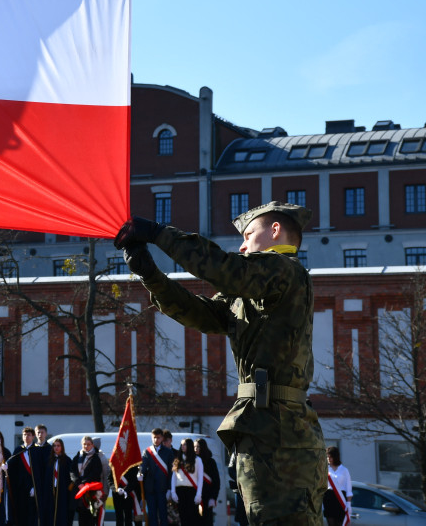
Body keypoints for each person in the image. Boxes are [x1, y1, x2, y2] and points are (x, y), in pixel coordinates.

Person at [115, 202, 327, 524]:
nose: (242, 245)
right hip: (263, 427)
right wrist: (151, 275)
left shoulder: (286, 270)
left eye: (249, 234)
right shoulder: (251, 291)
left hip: (283, 433)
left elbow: (224, 269)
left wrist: (159, 233)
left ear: (275, 231)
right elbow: (201, 314)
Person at [137, 428, 174, 526]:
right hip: (150, 489)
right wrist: (140, 473)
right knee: (152, 516)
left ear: (162, 438)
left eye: (158, 437)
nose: (156, 440)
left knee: (163, 515)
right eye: (154, 437)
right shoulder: (147, 451)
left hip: (163, 489)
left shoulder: (168, 452)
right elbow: (143, 466)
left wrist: (170, 489)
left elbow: (171, 472)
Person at [9, 427, 44, 526]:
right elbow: (13, 467)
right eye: (24, 435)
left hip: (33, 486)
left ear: (33, 437)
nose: (26, 437)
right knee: (21, 512)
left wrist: (35, 486)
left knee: (32, 513)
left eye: (28, 435)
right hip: (20, 487)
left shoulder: (37, 450)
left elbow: (40, 470)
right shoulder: (18, 449)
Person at [169, 439, 203, 526]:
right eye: (181, 445)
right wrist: (173, 492)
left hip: (191, 491)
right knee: (182, 516)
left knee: (192, 517)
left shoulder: (197, 460)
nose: (182, 446)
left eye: (185, 444)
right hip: (180, 490)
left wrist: (198, 494)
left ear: (190, 446)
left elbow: (200, 478)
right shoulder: (177, 460)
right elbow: (174, 477)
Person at [73, 436, 104, 526]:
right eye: (84, 444)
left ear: (92, 445)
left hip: (90, 492)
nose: (86, 446)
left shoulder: (95, 458)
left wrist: (83, 483)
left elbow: (96, 473)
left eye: (88, 444)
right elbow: (72, 471)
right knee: (81, 518)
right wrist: (78, 483)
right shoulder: (78, 456)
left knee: (90, 518)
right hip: (79, 490)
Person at [45, 437, 75, 526]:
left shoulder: (67, 460)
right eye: (54, 446)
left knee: (61, 514)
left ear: (62, 447)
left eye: (58, 446)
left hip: (62, 491)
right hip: (51, 491)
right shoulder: (49, 460)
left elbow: (70, 477)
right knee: (51, 512)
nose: (56, 448)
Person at [323, 446, 352, 526]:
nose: (329, 459)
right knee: (331, 523)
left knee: (340, 523)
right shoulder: (325, 470)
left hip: (340, 499)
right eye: (327, 457)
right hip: (328, 498)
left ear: (335, 457)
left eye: (330, 457)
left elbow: (348, 489)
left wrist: (348, 504)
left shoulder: (344, 470)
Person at [196, 438, 220, 526]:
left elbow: (216, 482)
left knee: (206, 522)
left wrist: (213, 497)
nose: (195, 449)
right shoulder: (192, 461)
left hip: (207, 497)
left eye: (198, 447)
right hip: (195, 497)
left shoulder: (211, 462)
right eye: (194, 447)